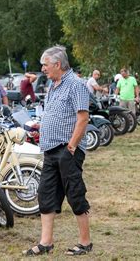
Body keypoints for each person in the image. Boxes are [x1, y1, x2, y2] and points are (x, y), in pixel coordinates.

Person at [23, 45, 91, 257]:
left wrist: (71, 146)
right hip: (50, 150)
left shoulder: (76, 84)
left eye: (45, 64)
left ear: (57, 64)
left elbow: (83, 118)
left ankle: (85, 243)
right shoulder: (54, 85)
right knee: (46, 195)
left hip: (66, 150)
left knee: (75, 195)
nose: (42, 68)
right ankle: (46, 243)